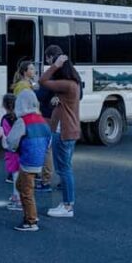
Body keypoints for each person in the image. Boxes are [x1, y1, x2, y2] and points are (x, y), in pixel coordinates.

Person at [39, 45, 81, 218]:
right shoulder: (73, 84)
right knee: (66, 168)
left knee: (64, 170)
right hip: (69, 130)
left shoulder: (67, 84)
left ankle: (67, 206)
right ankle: (67, 204)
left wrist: (54, 65)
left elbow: (42, 80)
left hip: (63, 132)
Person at [5, 90, 52, 232]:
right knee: (21, 185)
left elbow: (11, 140)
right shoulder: (41, 119)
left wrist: (13, 148)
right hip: (39, 159)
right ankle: (31, 216)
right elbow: (49, 138)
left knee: (26, 191)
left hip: (27, 159)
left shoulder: (22, 121)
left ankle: (31, 221)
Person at [0, 94, 21, 210]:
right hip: (21, 148)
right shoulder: (20, 117)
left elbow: (4, 134)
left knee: (15, 175)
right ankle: (20, 197)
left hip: (11, 150)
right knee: (21, 175)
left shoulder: (5, 119)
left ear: (4, 105)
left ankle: (17, 199)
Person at [33, 83, 55, 193]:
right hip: (54, 115)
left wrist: (33, 89)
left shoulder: (49, 80)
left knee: (46, 148)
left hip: (47, 115)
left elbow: (40, 95)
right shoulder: (62, 79)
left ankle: (46, 181)